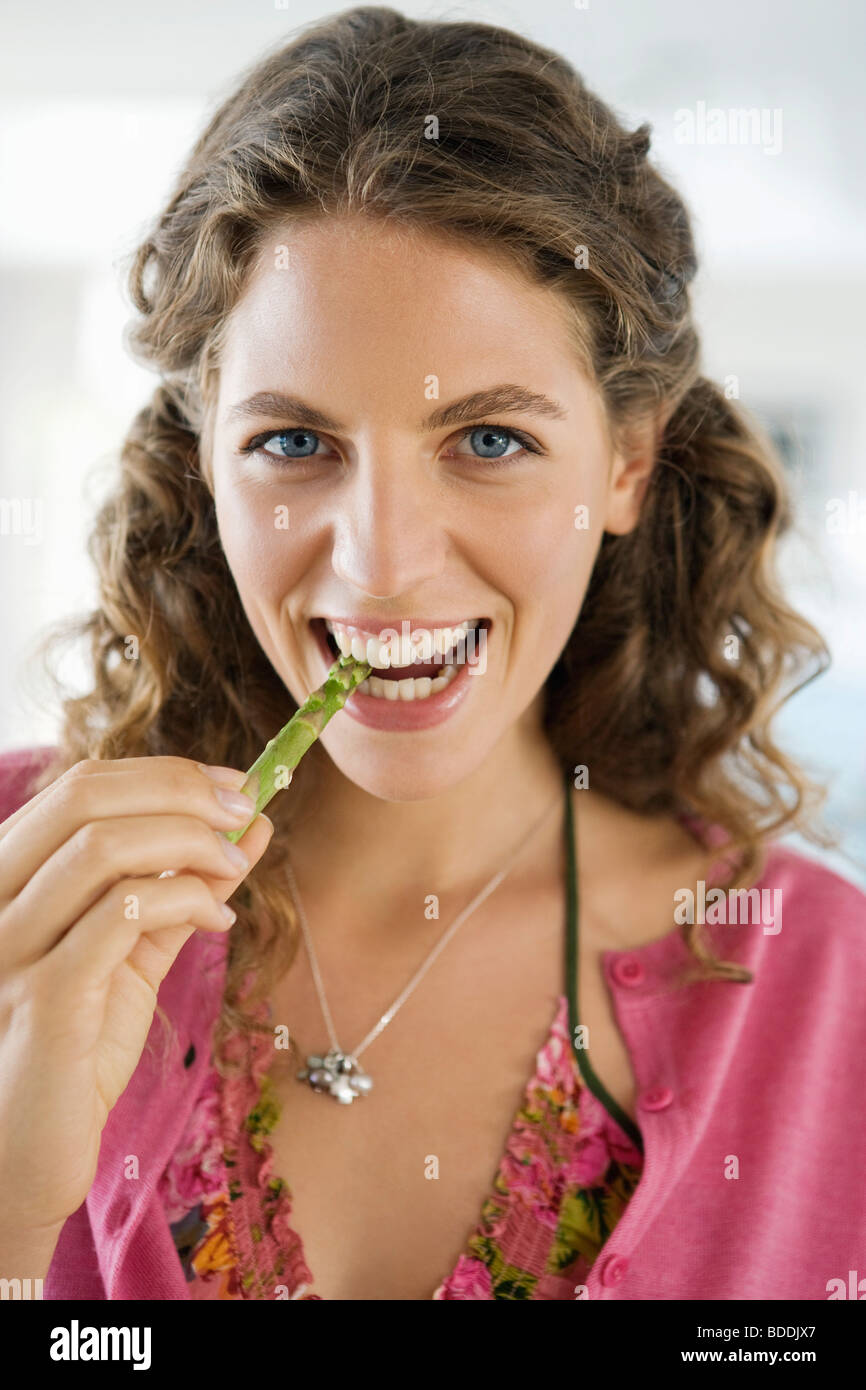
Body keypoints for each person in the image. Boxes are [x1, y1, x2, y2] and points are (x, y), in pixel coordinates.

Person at [1, 6, 864, 1303]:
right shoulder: (24, 877)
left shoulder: (818, 986)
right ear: (205, 464)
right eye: (293, 442)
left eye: (489, 439)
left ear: (625, 459)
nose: (383, 562)